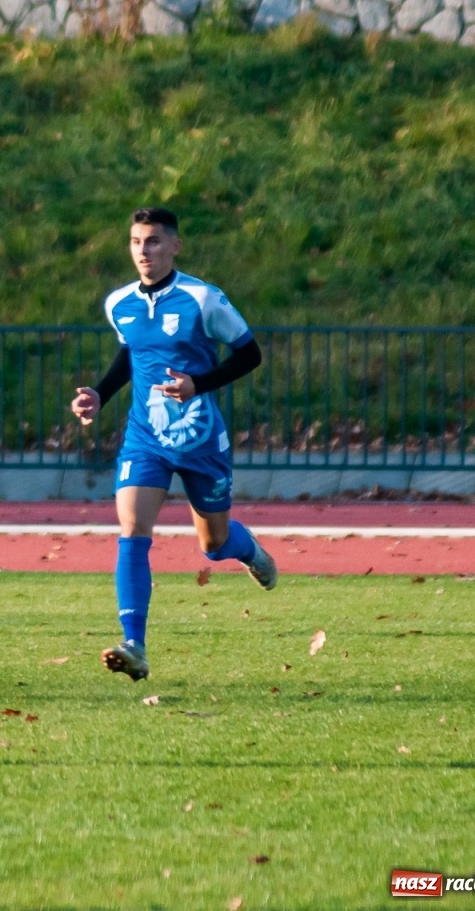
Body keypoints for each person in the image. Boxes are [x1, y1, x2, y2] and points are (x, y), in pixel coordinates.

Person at [70, 207, 275, 683]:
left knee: (214, 544)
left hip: (201, 439)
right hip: (145, 438)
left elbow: (250, 354)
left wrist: (197, 385)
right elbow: (132, 352)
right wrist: (100, 393)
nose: (144, 251)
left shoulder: (202, 299)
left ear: (175, 247)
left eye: (154, 241)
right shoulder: (119, 303)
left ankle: (248, 549)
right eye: (136, 241)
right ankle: (134, 645)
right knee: (132, 530)